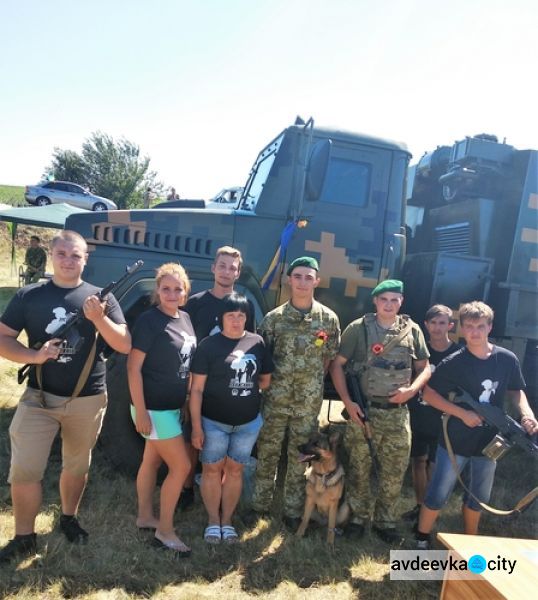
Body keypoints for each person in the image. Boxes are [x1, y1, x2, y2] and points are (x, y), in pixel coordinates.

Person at [0, 230, 131, 563]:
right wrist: (35, 356)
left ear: (86, 259)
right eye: (62, 254)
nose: (69, 261)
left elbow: (124, 344)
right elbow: (4, 339)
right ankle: (24, 537)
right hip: (38, 398)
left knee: (76, 465)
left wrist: (99, 317)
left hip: (87, 399)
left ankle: (69, 519)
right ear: (51, 255)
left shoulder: (101, 299)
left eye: (76, 255)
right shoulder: (30, 296)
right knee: (25, 469)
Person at [415, 301, 538, 549]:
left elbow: (516, 391)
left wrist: (526, 414)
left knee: (479, 498)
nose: (474, 332)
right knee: (438, 494)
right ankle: (420, 540)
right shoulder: (454, 362)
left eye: (480, 326)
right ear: (461, 328)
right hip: (455, 440)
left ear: (489, 327)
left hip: (490, 442)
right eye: (469, 326)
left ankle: (470, 545)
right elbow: (428, 394)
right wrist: (461, 413)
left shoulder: (506, 359)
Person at [329, 279, 431, 544]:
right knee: (359, 469)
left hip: (397, 414)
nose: (389, 304)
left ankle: (385, 521)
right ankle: (358, 518)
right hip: (365, 412)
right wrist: (347, 402)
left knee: (394, 471)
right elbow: (337, 365)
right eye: (384, 299)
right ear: (375, 301)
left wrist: (412, 390)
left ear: (401, 302)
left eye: (394, 300)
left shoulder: (412, 330)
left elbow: (425, 367)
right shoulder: (358, 329)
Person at [250, 256, 340, 530]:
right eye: (297, 276)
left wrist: (309, 382)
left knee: (300, 457)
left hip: (306, 403)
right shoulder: (273, 320)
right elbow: (264, 361)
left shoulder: (327, 320)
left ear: (317, 281)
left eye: (308, 277)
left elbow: (327, 357)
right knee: (267, 453)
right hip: (276, 401)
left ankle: (291, 511)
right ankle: (259, 506)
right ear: (288, 280)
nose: (302, 282)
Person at [190, 293, 273, 543]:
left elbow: (265, 380)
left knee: (235, 471)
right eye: (231, 315)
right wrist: (196, 427)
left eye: (241, 316)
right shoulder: (208, 345)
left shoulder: (257, 342)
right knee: (212, 470)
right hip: (213, 422)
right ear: (221, 318)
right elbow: (196, 389)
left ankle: (227, 521)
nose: (236, 321)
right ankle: (213, 522)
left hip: (247, 424)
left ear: (246, 318)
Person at [127, 262, 195, 555]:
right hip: (152, 409)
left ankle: (145, 516)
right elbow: (133, 368)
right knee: (182, 466)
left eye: (177, 289)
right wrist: (141, 412)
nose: (171, 293)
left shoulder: (186, 318)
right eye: (166, 288)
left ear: (185, 292)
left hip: (170, 408)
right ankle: (164, 532)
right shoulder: (148, 320)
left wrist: (184, 401)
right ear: (157, 290)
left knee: (151, 461)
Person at [181, 246, 255, 509]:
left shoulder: (244, 306)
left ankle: (220, 492)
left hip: (230, 386)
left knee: (226, 443)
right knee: (193, 436)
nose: (227, 271)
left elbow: (250, 345)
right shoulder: (195, 303)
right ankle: (187, 488)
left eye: (232, 267)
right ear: (213, 268)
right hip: (199, 382)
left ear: (238, 273)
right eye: (222, 265)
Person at [402, 305, 461, 522]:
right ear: (426, 325)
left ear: (451, 326)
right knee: (418, 461)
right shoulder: (418, 350)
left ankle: (431, 508)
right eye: (433, 323)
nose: (437, 328)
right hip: (418, 414)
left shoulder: (458, 354)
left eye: (442, 323)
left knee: (436, 465)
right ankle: (419, 506)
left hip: (443, 418)